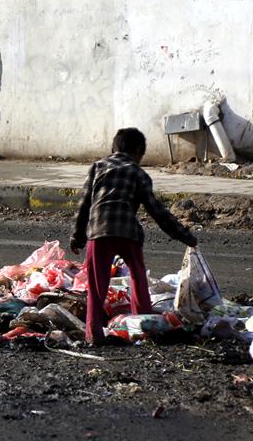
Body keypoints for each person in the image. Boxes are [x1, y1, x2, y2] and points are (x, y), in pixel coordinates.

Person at [70, 127, 197, 344]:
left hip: (99, 231)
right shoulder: (139, 174)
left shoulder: (98, 167)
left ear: (113, 148)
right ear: (138, 151)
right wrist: (185, 236)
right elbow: (157, 212)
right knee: (138, 277)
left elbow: (84, 204)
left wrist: (77, 235)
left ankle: (93, 334)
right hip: (129, 233)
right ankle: (143, 326)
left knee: (97, 285)